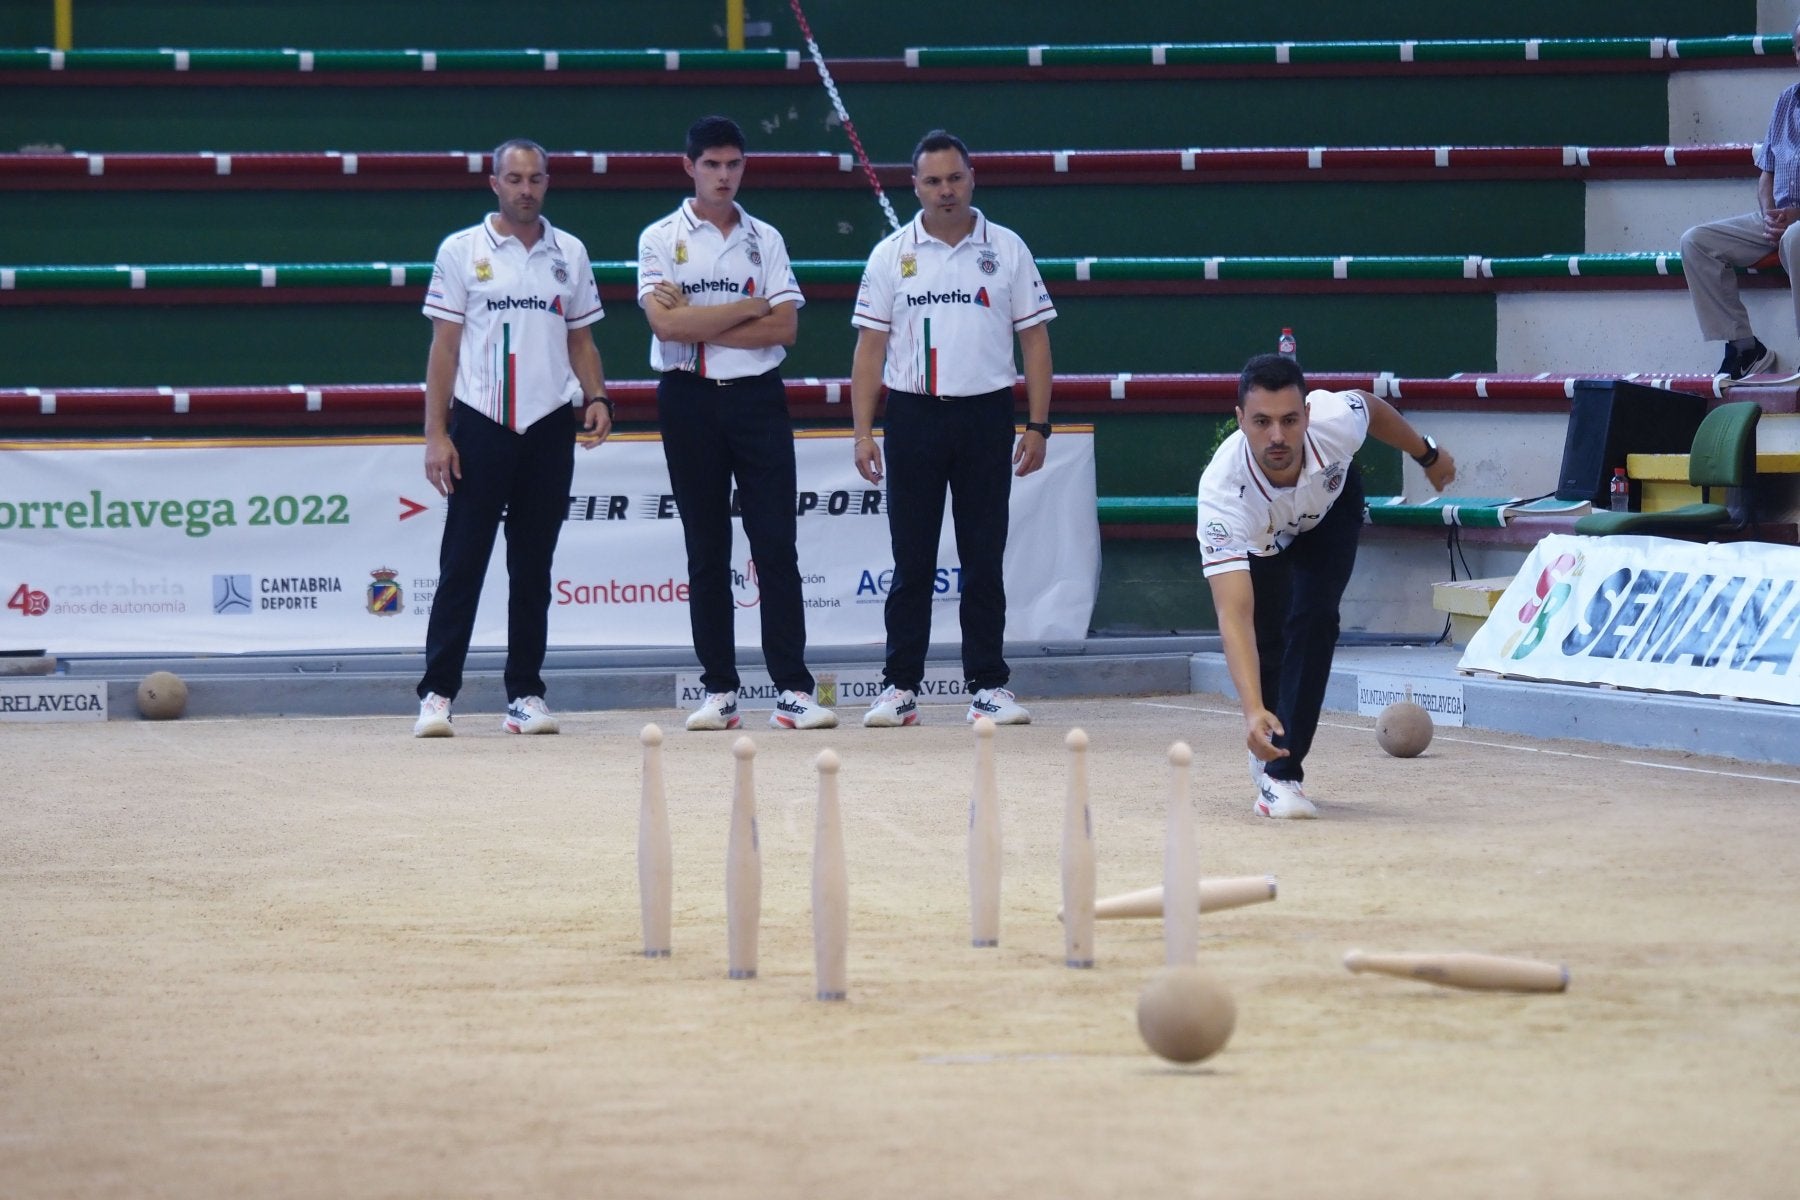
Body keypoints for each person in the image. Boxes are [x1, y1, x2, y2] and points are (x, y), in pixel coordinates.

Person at [850, 129, 1055, 729]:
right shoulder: (891, 254)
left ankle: (988, 684)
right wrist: (863, 433)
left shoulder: (1008, 249)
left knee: (983, 555)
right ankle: (898, 686)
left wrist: (1038, 424)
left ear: (973, 179)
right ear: (914, 186)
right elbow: (869, 349)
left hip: (986, 414)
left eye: (954, 178)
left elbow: (1035, 340)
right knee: (910, 559)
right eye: (933, 180)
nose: (945, 190)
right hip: (912, 416)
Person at [637, 115, 836, 733]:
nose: (724, 176)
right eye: (712, 165)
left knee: (775, 542)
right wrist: (751, 304)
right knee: (706, 546)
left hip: (757, 398)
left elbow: (786, 329)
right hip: (688, 398)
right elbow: (666, 328)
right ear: (689, 166)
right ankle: (720, 690)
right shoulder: (659, 238)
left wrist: (706, 313)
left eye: (734, 165)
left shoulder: (765, 239)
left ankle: (793, 691)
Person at [412, 138, 613, 738]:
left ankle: (525, 695)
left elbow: (582, 339)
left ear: (548, 183)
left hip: (549, 424)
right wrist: (436, 434)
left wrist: (597, 395)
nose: (526, 189)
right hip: (480, 422)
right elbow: (443, 347)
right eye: (514, 178)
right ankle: (438, 694)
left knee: (533, 567)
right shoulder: (462, 250)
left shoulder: (569, 253)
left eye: (536, 178)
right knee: (462, 563)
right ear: (493, 182)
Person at [1198, 353, 1457, 818]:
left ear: (1308, 415)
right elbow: (1232, 613)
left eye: (1289, 420)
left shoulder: (1335, 421)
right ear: (1239, 420)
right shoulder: (1222, 496)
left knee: (1316, 617)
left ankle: (1282, 778)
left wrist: (1428, 454)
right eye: (1261, 422)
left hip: (1331, 507)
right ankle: (1267, 739)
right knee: (1269, 639)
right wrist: (1252, 709)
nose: (1277, 436)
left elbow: (1372, 409)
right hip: (1263, 536)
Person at [1678, 21, 1800, 380]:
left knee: (1796, 237)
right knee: (1696, 242)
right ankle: (1745, 348)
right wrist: (1769, 215)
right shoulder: (1786, 100)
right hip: (1779, 216)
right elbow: (1767, 174)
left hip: (1798, 224)